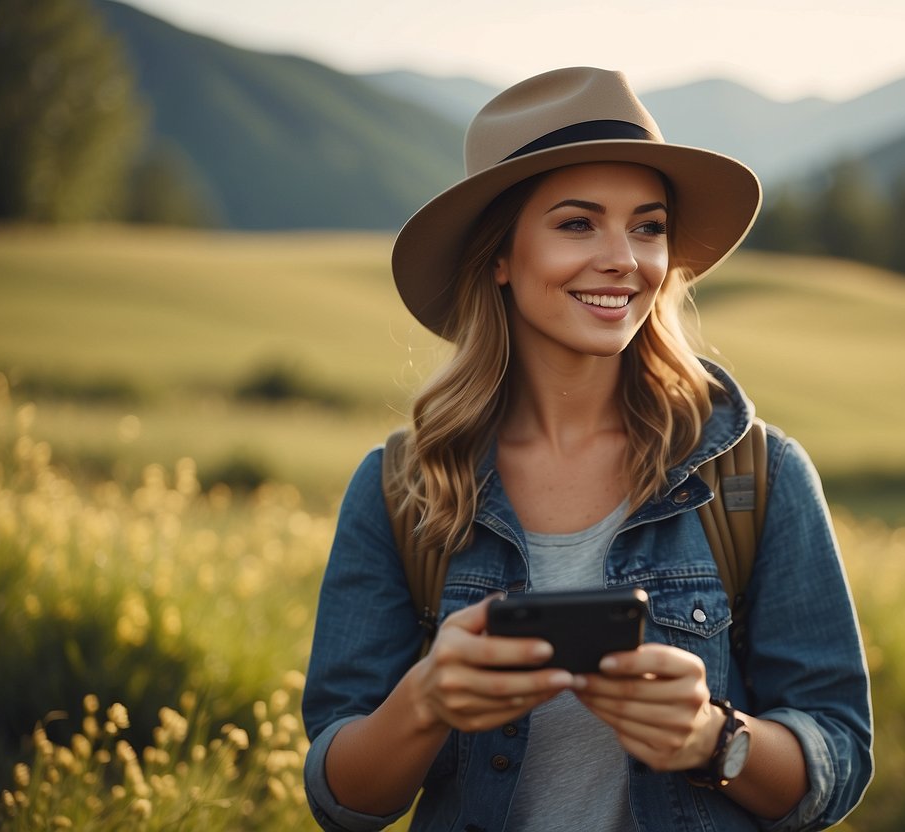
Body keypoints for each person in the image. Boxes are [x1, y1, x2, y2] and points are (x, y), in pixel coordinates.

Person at [302, 67, 872, 832]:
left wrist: (709, 736)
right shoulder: (401, 487)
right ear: (498, 256)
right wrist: (425, 699)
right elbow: (343, 799)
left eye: (648, 226)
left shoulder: (753, 475)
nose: (624, 260)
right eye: (577, 224)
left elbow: (836, 757)